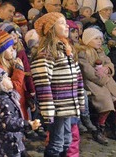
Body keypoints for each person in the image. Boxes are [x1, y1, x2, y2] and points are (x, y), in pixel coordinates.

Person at [31, 12, 85, 157]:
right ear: (51, 28)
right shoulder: (46, 53)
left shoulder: (67, 50)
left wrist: (80, 100)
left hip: (68, 105)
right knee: (57, 142)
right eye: (61, 23)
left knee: (67, 141)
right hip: (57, 106)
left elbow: (78, 77)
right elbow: (43, 82)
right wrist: (48, 109)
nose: (67, 25)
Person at [77, 27, 116, 143]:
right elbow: (88, 72)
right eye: (96, 38)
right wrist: (102, 78)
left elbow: (109, 62)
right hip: (94, 83)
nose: (99, 41)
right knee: (105, 104)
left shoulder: (101, 51)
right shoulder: (83, 53)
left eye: (100, 39)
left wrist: (108, 69)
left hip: (108, 82)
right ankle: (99, 129)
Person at [0, 64, 40, 157]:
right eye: (6, 78)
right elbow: (8, 122)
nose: (10, 79)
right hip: (8, 143)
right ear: (0, 84)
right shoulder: (4, 101)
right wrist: (27, 124)